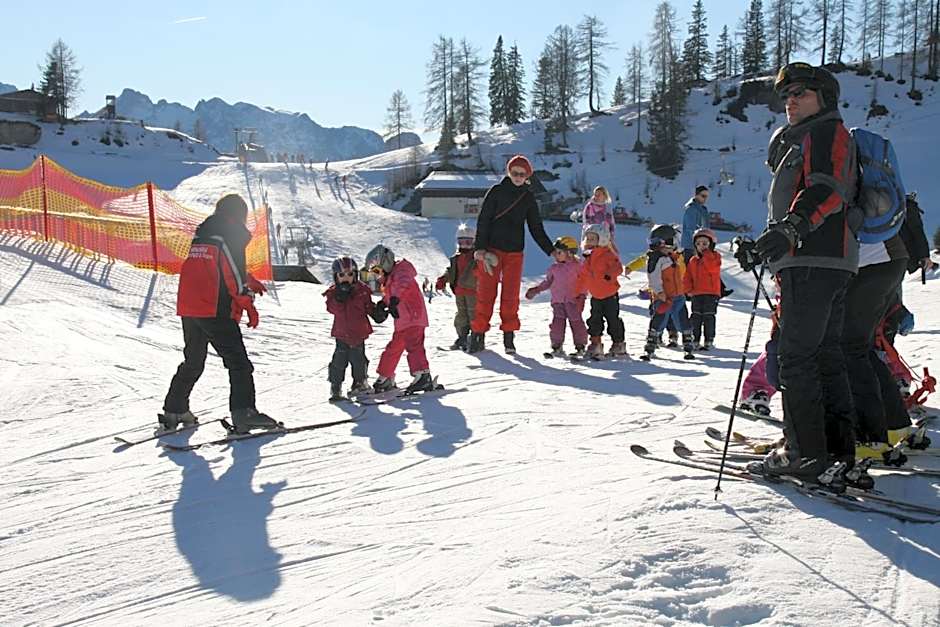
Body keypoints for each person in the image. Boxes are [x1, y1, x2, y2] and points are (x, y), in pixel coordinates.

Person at [745, 62, 859, 482]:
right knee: (825, 356)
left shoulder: (825, 131)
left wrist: (791, 230)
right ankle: (834, 453)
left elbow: (828, 190)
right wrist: (770, 240)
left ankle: (805, 453)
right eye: (787, 95)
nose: (791, 101)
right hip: (825, 259)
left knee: (796, 358)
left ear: (823, 98)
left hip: (813, 258)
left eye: (801, 93)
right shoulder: (805, 137)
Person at [163, 194, 278, 434]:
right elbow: (230, 273)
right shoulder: (231, 232)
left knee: (193, 361)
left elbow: (215, 264)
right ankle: (244, 412)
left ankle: (174, 409)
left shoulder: (205, 234)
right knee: (239, 363)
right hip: (213, 308)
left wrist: (246, 278)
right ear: (239, 215)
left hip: (190, 307)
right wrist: (247, 301)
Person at [470, 154, 554, 354]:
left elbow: (536, 227)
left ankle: (509, 337)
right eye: (514, 172)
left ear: (527, 176)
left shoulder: (528, 197)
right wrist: (479, 248)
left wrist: (550, 250)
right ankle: (477, 335)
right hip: (491, 251)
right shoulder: (496, 191)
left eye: (522, 174)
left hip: (515, 252)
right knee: (485, 294)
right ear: (509, 172)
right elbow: (483, 220)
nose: (518, 176)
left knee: (510, 296)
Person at [365, 244, 434, 394]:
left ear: (385, 262)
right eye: (374, 272)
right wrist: (384, 303)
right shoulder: (389, 279)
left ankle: (423, 374)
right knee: (393, 348)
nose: (377, 275)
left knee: (414, 345)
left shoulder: (401, 270)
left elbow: (402, 284)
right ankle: (386, 376)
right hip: (403, 321)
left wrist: (394, 299)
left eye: (377, 270)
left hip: (414, 317)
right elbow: (392, 294)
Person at [324, 256, 380, 401]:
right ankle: (335, 387)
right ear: (336, 277)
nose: (346, 278)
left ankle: (359, 383)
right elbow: (331, 308)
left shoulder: (362, 290)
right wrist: (339, 298)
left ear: (355, 275)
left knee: (359, 360)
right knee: (339, 360)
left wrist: (377, 312)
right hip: (342, 334)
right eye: (342, 275)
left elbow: (368, 306)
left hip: (359, 333)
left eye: (350, 274)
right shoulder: (334, 293)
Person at [525, 235, 588, 357]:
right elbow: (547, 282)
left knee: (576, 323)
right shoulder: (554, 268)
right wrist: (536, 290)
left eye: (559, 252)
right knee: (557, 324)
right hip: (558, 302)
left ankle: (580, 346)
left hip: (573, 301)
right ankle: (557, 346)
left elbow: (585, 281)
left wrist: (582, 295)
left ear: (569, 253)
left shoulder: (578, 266)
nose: (555, 254)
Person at [641, 224, 694, 361]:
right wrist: (659, 292)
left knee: (683, 319)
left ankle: (688, 343)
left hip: (678, 296)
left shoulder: (673, 257)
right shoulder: (656, 259)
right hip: (664, 297)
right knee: (659, 319)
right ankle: (651, 344)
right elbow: (653, 278)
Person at [577, 224, 626, 358]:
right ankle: (595, 343)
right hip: (596, 295)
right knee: (594, 320)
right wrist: (578, 291)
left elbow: (618, 267)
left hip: (610, 295)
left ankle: (618, 343)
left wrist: (609, 274)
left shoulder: (608, 254)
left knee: (613, 320)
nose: (589, 242)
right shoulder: (587, 257)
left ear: (602, 239)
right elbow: (583, 276)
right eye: (588, 239)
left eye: (593, 239)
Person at [435, 223, 479, 350]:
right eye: (461, 241)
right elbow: (451, 271)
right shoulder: (456, 258)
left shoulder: (476, 257)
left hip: (473, 291)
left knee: (474, 315)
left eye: (468, 242)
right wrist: (443, 279)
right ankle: (462, 337)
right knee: (461, 315)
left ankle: (476, 338)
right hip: (460, 291)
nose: (464, 245)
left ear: (474, 242)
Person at [683, 228, 722, 350]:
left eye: (705, 244)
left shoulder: (715, 257)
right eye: (698, 244)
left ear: (711, 244)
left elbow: (712, 267)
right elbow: (687, 276)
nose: (701, 246)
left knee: (709, 316)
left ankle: (709, 339)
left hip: (711, 293)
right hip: (696, 293)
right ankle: (695, 338)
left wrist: (706, 254)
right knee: (696, 317)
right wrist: (687, 289)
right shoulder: (693, 260)